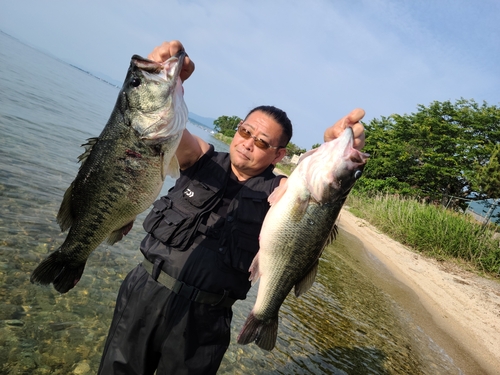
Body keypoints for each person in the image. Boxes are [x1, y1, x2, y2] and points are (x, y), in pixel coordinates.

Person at [98, 40, 366, 375]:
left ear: (280, 155)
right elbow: (152, 126)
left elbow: (317, 203)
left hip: (205, 321)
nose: (248, 143)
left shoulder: (282, 190)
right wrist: (157, 79)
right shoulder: (199, 156)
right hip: (145, 291)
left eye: (262, 142)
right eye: (245, 131)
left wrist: (331, 147)